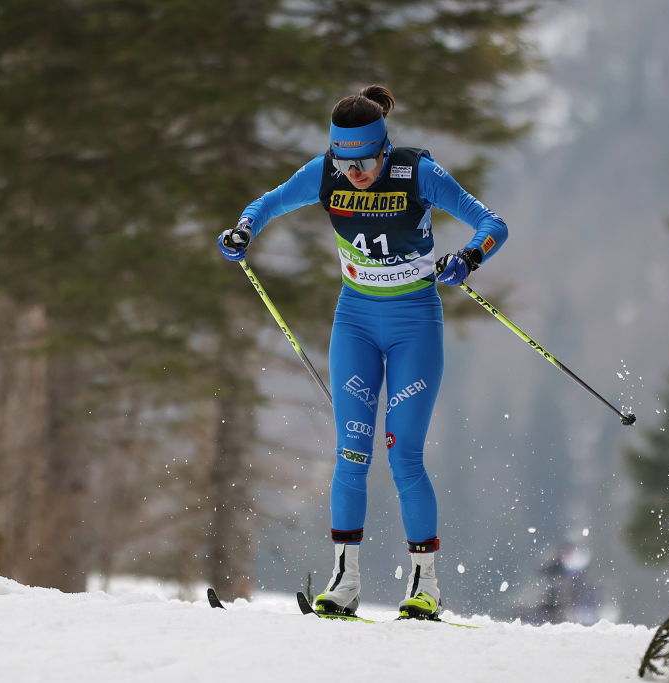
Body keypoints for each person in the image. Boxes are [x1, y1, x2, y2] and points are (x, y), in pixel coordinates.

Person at [217, 85, 507, 620]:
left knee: (403, 456)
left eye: (365, 162)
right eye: (344, 163)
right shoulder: (325, 172)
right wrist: (242, 230)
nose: (354, 174)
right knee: (351, 454)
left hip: (414, 324)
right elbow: (268, 202)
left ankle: (425, 588)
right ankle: (345, 583)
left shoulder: (416, 173)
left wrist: (468, 257)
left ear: (383, 148)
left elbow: (494, 224)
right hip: (354, 323)